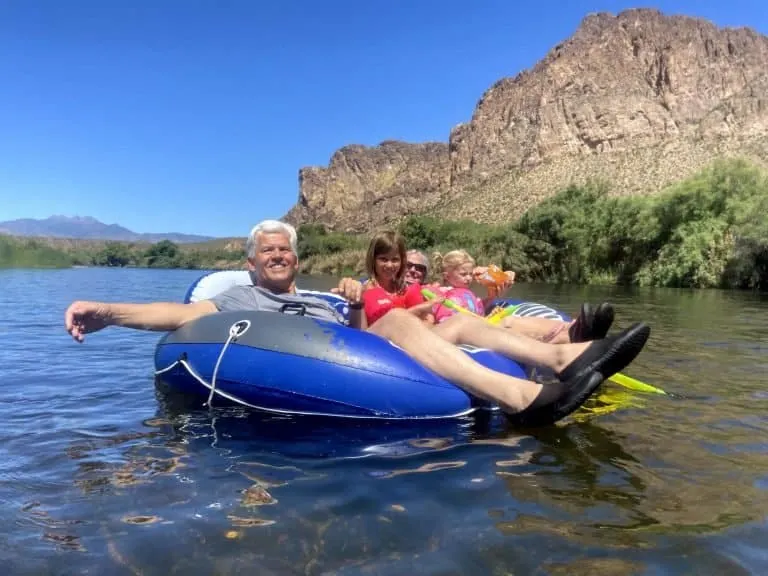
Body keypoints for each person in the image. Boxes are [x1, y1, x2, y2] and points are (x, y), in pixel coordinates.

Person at [64, 219, 651, 427]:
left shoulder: (322, 296)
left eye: (285, 251)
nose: (277, 256)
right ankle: (523, 398)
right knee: (399, 323)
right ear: (249, 262)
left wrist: (349, 302)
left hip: (359, 344)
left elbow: (353, 328)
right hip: (356, 353)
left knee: (461, 325)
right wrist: (108, 313)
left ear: (296, 258)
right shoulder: (239, 300)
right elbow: (176, 316)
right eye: (266, 251)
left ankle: (560, 356)